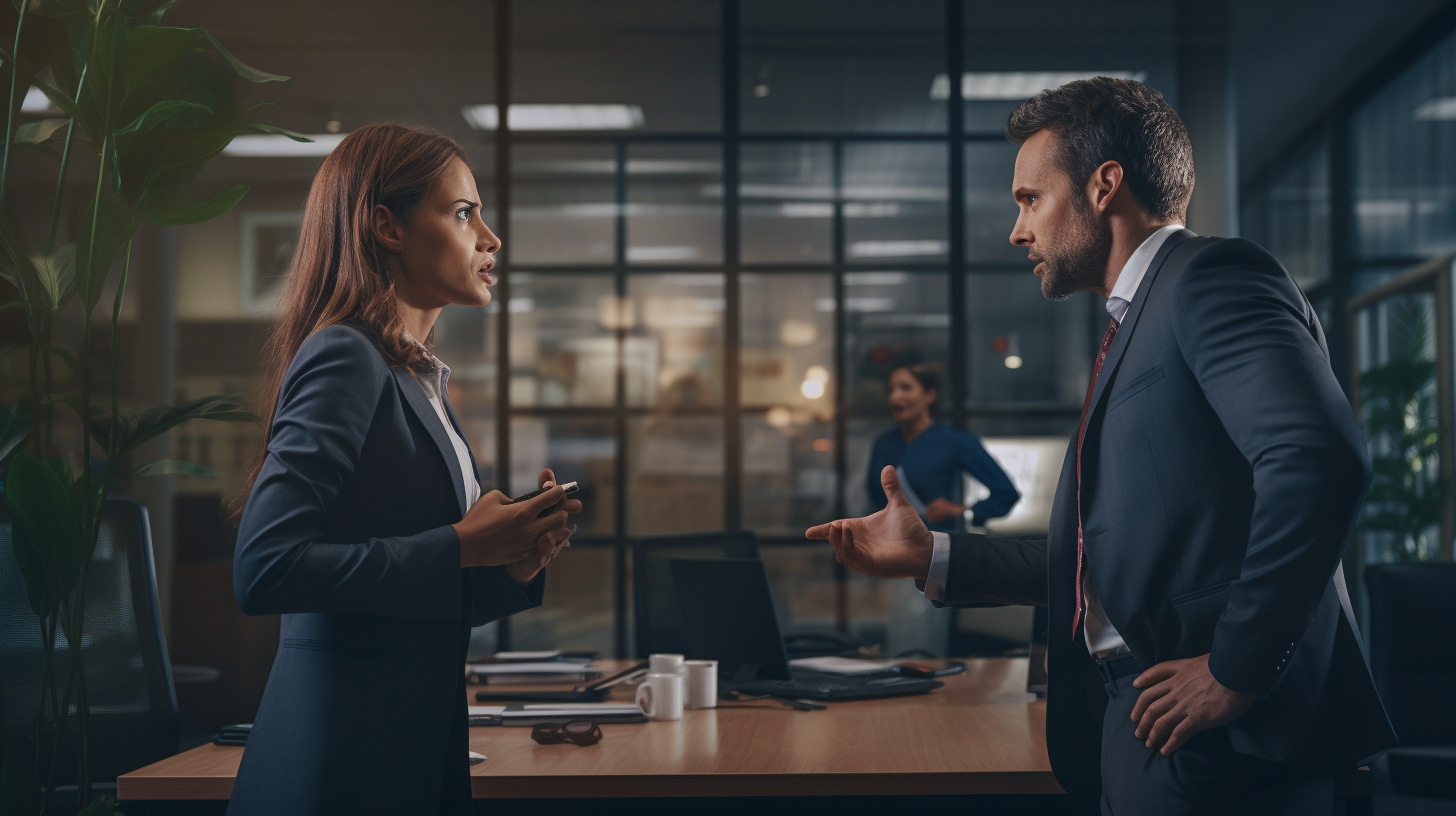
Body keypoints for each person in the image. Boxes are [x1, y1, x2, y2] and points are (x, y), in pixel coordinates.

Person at [808, 78, 1395, 815]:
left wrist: (1234, 670)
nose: (1018, 230)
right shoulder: (1133, 324)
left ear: (1103, 185)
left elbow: (1317, 460)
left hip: (1222, 739)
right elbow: (1102, 557)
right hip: (1147, 725)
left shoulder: (1210, 278)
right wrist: (934, 556)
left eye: (1030, 199)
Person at [227, 123, 581, 816]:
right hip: (340, 762)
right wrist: (460, 544)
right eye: (461, 212)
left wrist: (509, 564)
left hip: (406, 749)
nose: (490, 237)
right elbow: (266, 567)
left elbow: (410, 595)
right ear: (386, 226)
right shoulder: (345, 356)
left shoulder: (418, 381)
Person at [866, 363, 1019, 532]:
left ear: (929, 395)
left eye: (905, 387)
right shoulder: (883, 444)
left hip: (937, 546)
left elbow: (1006, 494)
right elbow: (875, 501)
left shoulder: (955, 441)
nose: (895, 397)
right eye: (890, 390)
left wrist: (964, 511)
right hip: (891, 547)